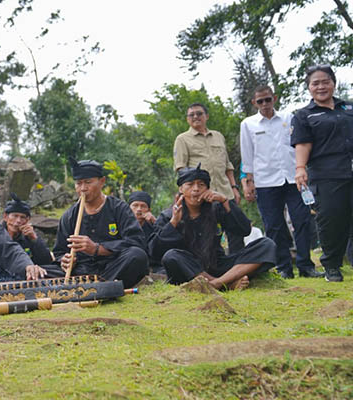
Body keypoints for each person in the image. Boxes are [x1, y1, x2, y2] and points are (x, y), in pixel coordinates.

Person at [240, 85, 323, 279]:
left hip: (293, 178)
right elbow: (247, 154)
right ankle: (283, 267)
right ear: (254, 103)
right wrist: (248, 181)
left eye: (268, 99)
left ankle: (305, 265)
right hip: (265, 181)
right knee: (274, 225)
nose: (265, 104)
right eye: (260, 101)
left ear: (274, 98)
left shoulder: (290, 118)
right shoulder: (248, 124)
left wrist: (302, 170)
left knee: (302, 221)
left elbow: (299, 145)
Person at [149, 164, 277, 290]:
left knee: (267, 244)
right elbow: (154, 251)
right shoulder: (168, 215)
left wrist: (225, 201)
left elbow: (244, 230)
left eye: (201, 184)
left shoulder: (216, 208)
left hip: (218, 264)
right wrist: (174, 222)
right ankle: (228, 283)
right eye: (190, 184)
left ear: (208, 189)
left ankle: (217, 284)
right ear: (181, 188)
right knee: (171, 256)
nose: (196, 189)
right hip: (189, 269)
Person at [291, 64, 353, 282]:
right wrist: (300, 169)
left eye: (325, 81)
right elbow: (303, 144)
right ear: (309, 88)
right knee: (332, 220)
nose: (321, 86)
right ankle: (332, 266)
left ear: (333, 83)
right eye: (315, 83)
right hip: (327, 175)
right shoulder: (304, 115)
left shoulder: (348, 108)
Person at [53, 159, 149, 289]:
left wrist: (97, 249)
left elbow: (136, 242)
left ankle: (93, 288)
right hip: (82, 270)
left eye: (88, 182)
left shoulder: (119, 208)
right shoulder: (69, 216)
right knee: (42, 270)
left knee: (137, 255)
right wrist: (65, 261)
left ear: (102, 182)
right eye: (78, 183)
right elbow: (59, 251)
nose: (83, 189)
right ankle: (100, 287)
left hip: (114, 266)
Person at [174, 103, 244, 253]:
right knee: (207, 235)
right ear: (187, 119)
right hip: (202, 197)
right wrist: (189, 192)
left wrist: (234, 188)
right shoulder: (182, 139)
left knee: (236, 232)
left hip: (225, 193)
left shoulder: (218, 136)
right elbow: (181, 169)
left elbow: (228, 165)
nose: (195, 117)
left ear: (206, 116)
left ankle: (239, 269)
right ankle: (210, 269)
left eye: (199, 113)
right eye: (191, 115)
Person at [0, 192, 60, 276]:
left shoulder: (29, 236)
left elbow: (47, 261)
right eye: (15, 216)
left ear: (27, 220)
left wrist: (34, 239)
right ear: (5, 217)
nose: (18, 221)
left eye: (22, 217)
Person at [127, 190, 164, 274]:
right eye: (135, 206)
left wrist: (155, 222)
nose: (139, 209)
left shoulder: (153, 225)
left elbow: (164, 241)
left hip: (154, 266)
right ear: (128, 208)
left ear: (149, 210)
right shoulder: (122, 225)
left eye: (143, 206)